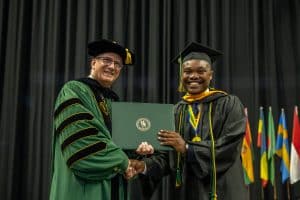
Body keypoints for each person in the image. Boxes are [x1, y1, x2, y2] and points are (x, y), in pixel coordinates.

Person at [130, 42, 248, 200]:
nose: (193, 76)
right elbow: (167, 157)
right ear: (181, 75)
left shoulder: (229, 104)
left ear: (210, 74)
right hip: (187, 191)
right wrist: (144, 166)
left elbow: (229, 146)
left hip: (223, 190)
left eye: (201, 71)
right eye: (187, 71)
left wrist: (187, 148)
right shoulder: (176, 111)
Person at [49, 39, 136, 200]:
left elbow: (116, 142)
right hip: (82, 189)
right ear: (93, 63)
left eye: (118, 64)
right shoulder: (74, 90)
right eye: (107, 60)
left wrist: (136, 150)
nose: (112, 67)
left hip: (111, 187)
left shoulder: (113, 102)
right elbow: (82, 143)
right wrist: (124, 162)